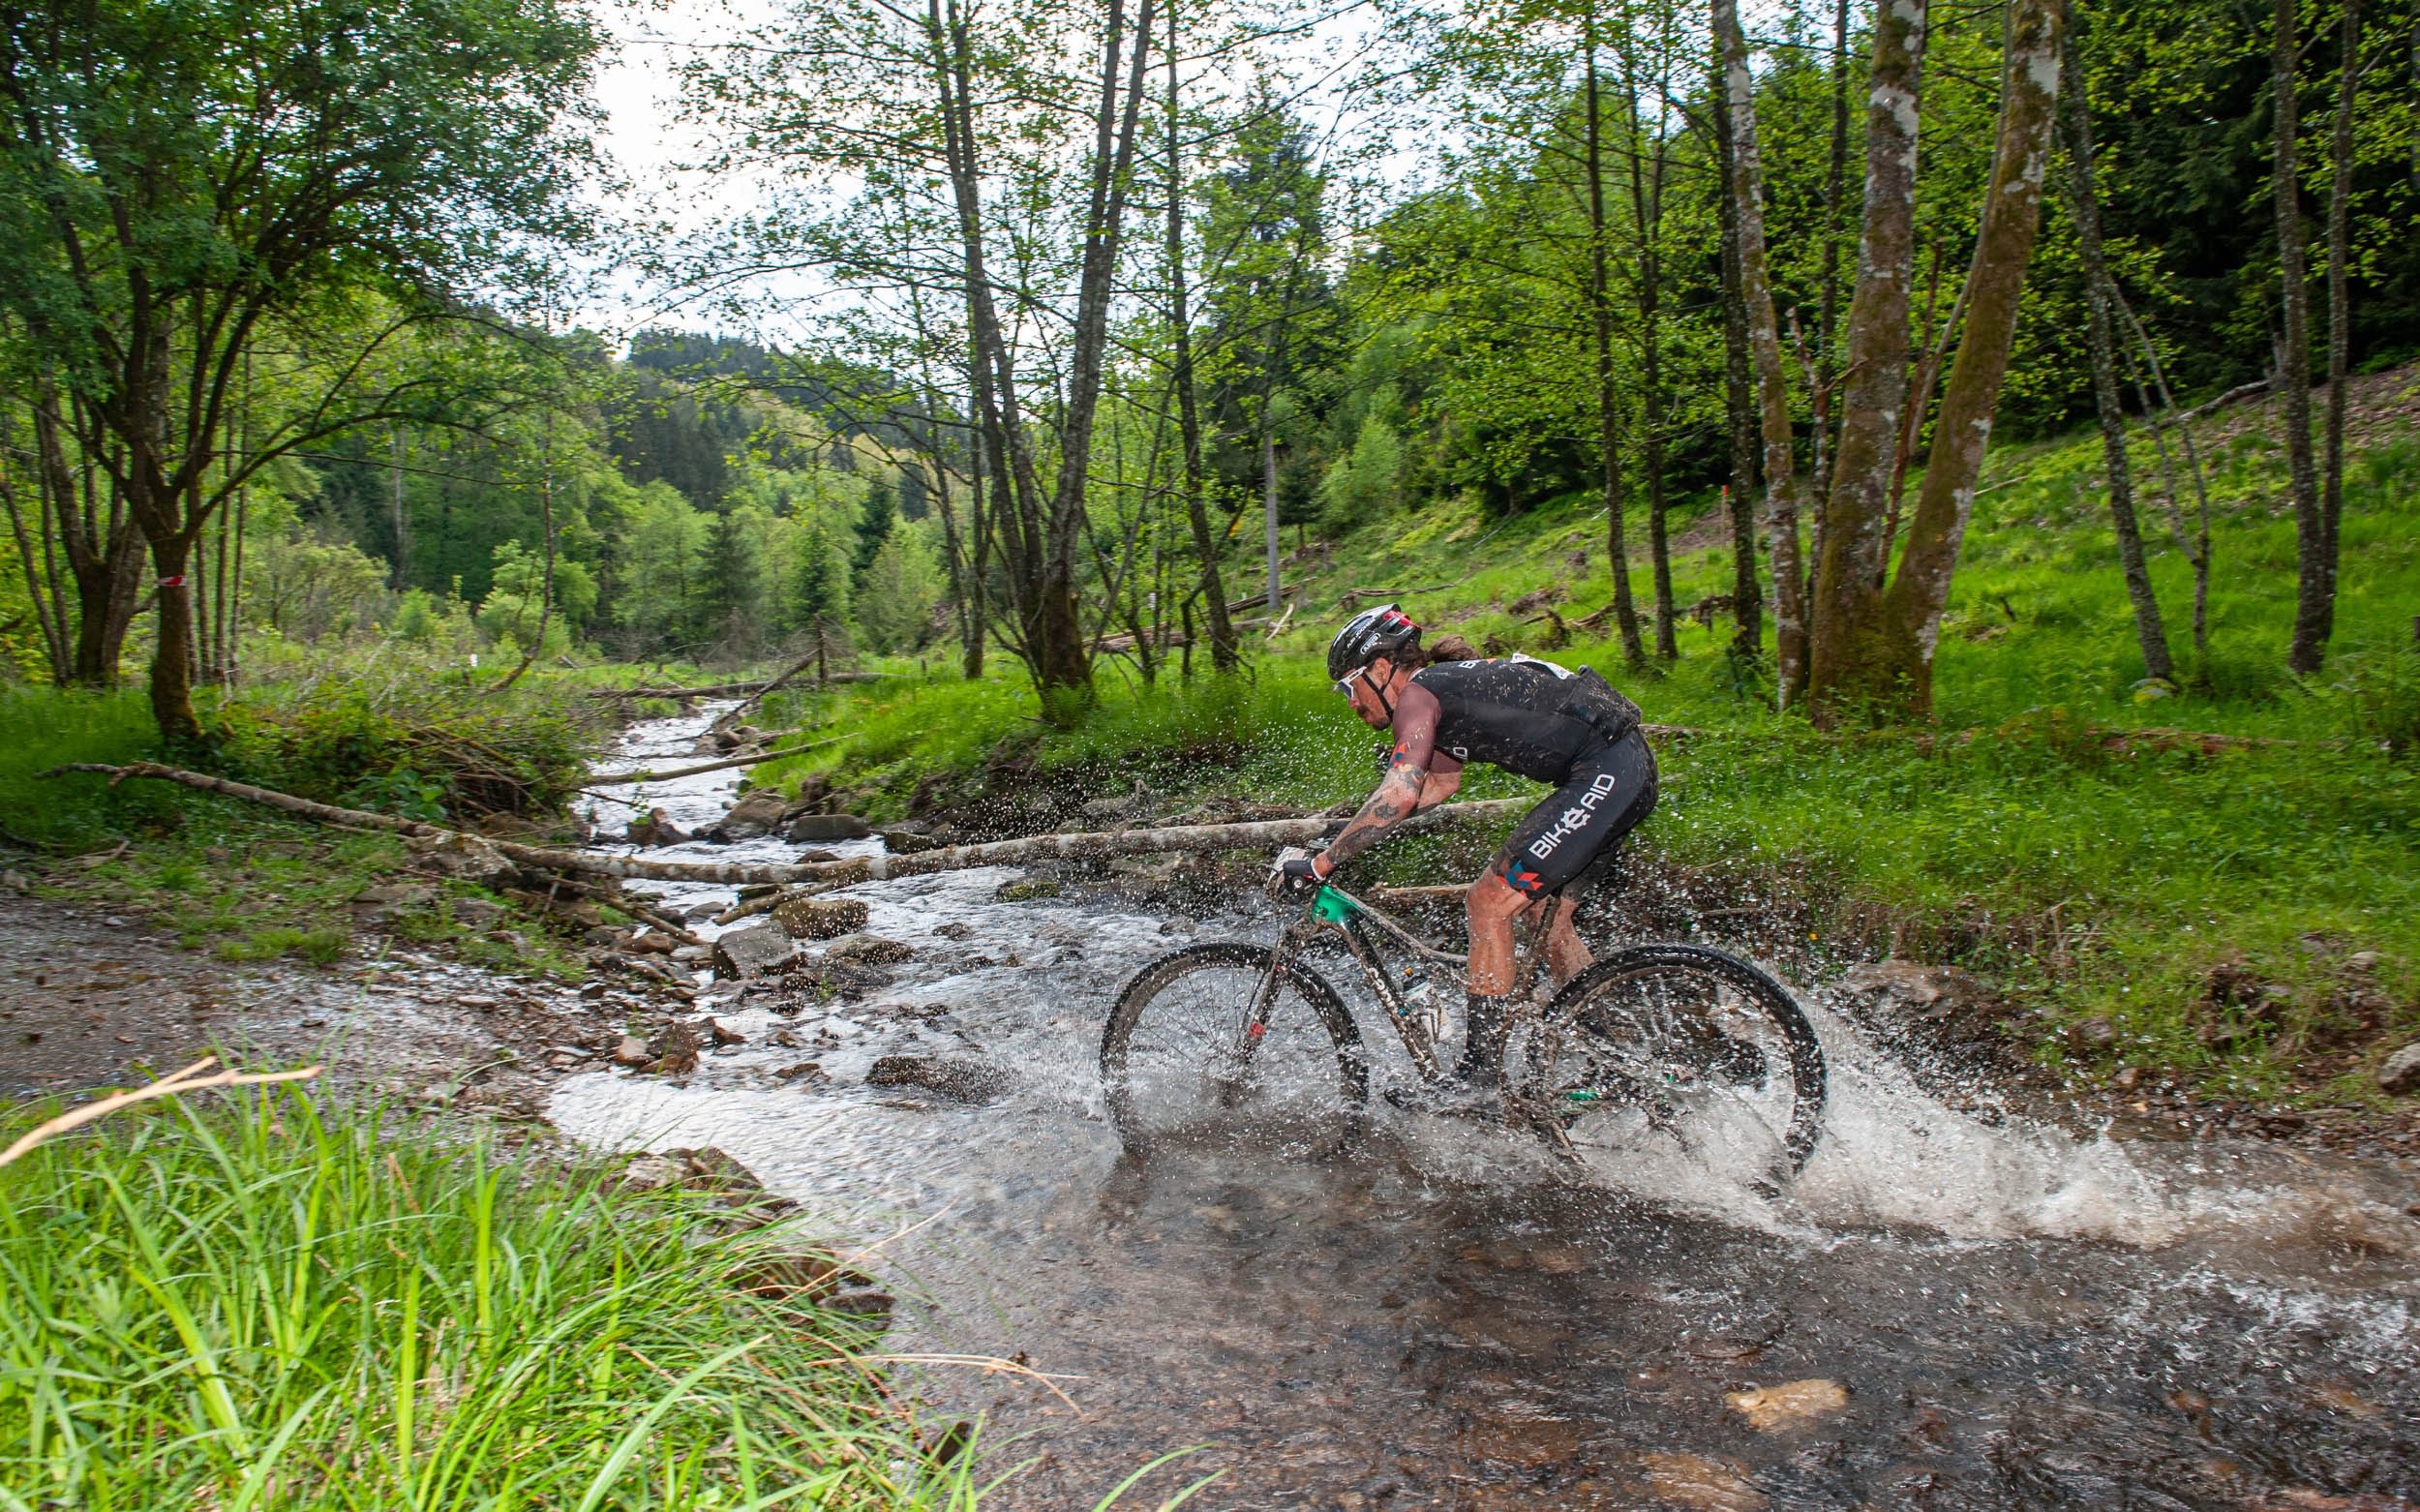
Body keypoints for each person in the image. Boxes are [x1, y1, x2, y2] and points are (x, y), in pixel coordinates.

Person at [1276, 603, 1658, 1099]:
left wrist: (1321, 863)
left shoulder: (1419, 695)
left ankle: (1477, 1083)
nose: (1351, 703)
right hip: (1623, 769)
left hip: (1606, 773)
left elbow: (1400, 795)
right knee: (1544, 916)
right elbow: (1437, 785)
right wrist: (1343, 836)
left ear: (1380, 667)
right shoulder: (1443, 689)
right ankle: (1616, 1059)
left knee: (1487, 904)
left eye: (1349, 687)